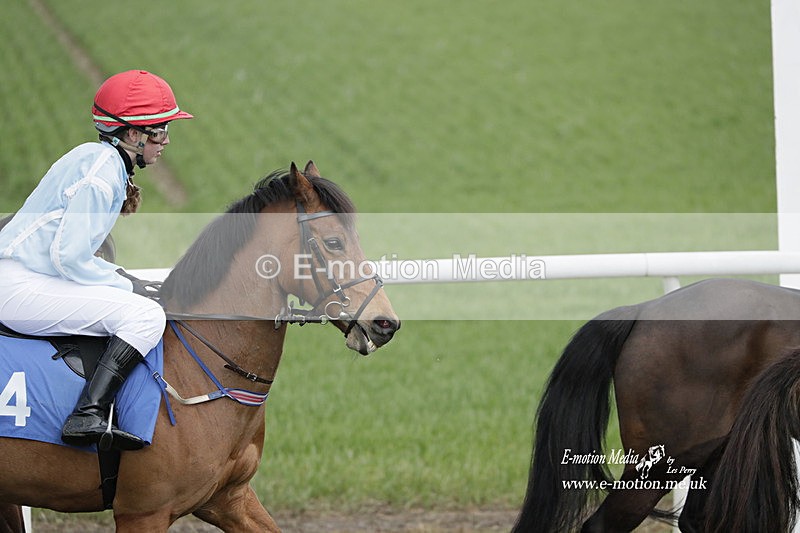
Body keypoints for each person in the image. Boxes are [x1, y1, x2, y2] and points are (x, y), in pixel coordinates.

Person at [0, 70, 193, 450]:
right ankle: (87, 412)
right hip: (17, 284)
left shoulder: (102, 161)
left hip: (26, 275)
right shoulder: (101, 171)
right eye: (160, 130)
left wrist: (120, 278)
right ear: (132, 134)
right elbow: (68, 256)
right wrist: (126, 282)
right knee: (145, 315)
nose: (165, 140)